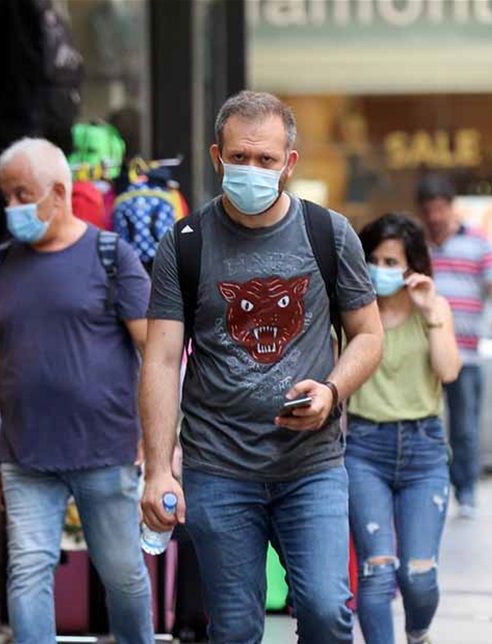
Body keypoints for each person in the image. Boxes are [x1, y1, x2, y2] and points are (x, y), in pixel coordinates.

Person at [138, 91, 384, 643]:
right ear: (217, 157)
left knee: (326, 611)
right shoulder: (185, 243)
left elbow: (369, 336)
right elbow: (161, 359)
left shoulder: (329, 234)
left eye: (266, 159)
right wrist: (158, 469)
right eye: (239, 157)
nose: (252, 169)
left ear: (288, 163)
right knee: (234, 629)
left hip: (311, 466)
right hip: (218, 468)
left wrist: (331, 391)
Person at [0, 138, 154, 644]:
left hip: (106, 452)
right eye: (6, 196)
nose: (12, 207)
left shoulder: (112, 257)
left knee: (122, 575)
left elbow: (154, 354)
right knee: (27, 571)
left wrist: (157, 440)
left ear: (58, 192)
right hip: (25, 457)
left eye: (22, 195)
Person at [347, 213, 462, 644]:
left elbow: (448, 371)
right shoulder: (353, 312)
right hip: (363, 449)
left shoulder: (434, 308)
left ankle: (417, 633)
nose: (381, 270)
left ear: (412, 266)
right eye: (374, 260)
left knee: (419, 574)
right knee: (376, 571)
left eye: (392, 262)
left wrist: (430, 311)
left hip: (423, 449)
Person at [415, 174, 492, 518]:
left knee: (465, 427)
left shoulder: (478, 242)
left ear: (451, 207)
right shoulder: (415, 245)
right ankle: (428, 484)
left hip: (466, 353)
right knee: (424, 422)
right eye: (428, 210)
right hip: (422, 353)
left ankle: (466, 490)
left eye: (440, 208)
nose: (435, 216)